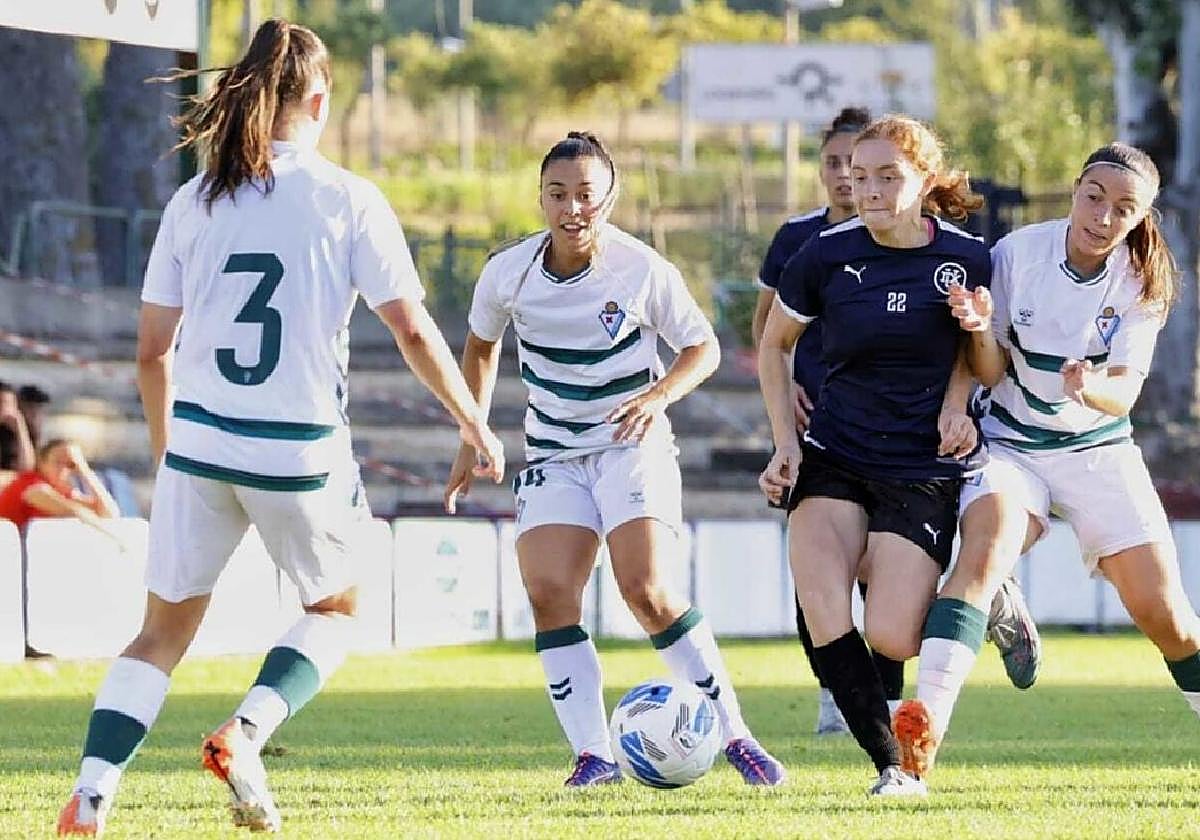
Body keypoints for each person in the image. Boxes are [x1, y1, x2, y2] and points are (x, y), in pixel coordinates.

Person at [57, 20, 503, 837]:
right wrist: (472, 419)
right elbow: (410, 328)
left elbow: (152, 351)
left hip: (198, 443)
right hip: (296, 450)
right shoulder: (346, 198)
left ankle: (91, 793)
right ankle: (246, 731)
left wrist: (168, 454)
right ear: (321, 100)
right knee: (337, 608)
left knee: (159, 635)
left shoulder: (196, 200)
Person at [445, 131, 785, 788]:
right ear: (541, 198)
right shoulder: (507, 271)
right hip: (554, 451)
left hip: (631, 446)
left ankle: (736, 736)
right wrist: (471, 432)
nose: (572, 209)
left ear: (610, 197)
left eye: (586, 195)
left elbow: (703, 349)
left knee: (645, 590)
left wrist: (657, 397)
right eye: (558, 194)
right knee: (549, 593)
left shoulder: (641, 269)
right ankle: (594, 757)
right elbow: (481, 346)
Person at [892, 142, 1200, 784]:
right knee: (982, 556)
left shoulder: (1143, 281)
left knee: (1166, 617)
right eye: (1094, 197)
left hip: (1098, 450)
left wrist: (1089, 387)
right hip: (1011, 446)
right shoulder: (1018, 254)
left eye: (1123, 208)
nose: (1103, 216)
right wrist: (979, 332)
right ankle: (916, 751)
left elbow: (1124, 394)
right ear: (1075, 190)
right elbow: (988, 369)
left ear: (1141, 217)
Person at [754, 109, 1040, 738]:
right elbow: (772, 343)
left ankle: (983, 593)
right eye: (860, 176)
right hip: (838, 450)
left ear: (926, 179)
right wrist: (784, 442)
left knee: (893, 635)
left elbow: (986, 368)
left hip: (921, 465)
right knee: (824, 584)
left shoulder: (968, 257)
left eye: (888, 176)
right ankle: (874, 744)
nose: (869, 190)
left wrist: (970, 352)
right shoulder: (823, 253)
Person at [0, 437, 121, 661]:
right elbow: (73, 512)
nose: (65, 470)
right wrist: (111, 536)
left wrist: (84, 470)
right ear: (42, 463)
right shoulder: (32, 485)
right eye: (59, 462)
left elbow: (109, 513)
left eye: (70, 465)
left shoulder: (63, 490)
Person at [0, 381, 35, 483]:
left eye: (8, 404)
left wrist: (21, 428)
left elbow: (27, 469)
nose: (4, 409)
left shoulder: (17, 432)